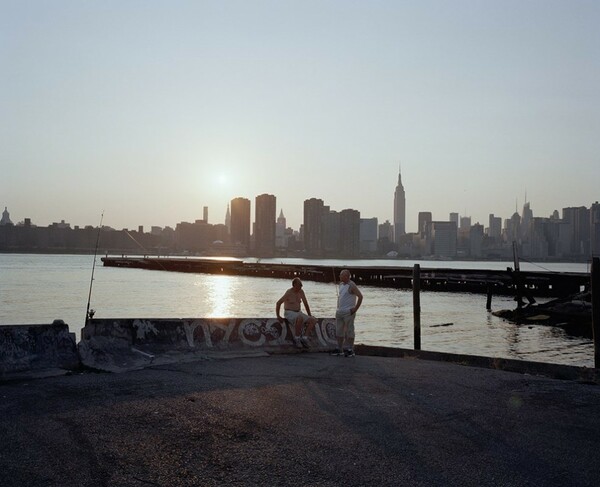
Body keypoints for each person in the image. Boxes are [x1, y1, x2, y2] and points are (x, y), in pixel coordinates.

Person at [276, 277, 317, 348]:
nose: (301, 287)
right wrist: (278, 316)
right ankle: (297, 338)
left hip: (298, 312)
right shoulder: (289, 292)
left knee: (313, 320)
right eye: (299, 285)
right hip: (289, 313)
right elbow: (278, 303)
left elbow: (305, 304)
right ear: (294, 285)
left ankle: (304, 338)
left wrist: (309, 315)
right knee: (300, 318)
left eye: (301, 285)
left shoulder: (301, 291)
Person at [332, 269, 363, 357]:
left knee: (349, 330)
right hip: (339, 311)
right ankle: (339, 349)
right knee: (339, 331)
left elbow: (360, 297)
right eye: (340, 275)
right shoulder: (341, 285)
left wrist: (355, 309)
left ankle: (350, 349)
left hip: (348, 312)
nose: (340, 276)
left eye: (341, 275)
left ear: (347, 276)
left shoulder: (352, 285)